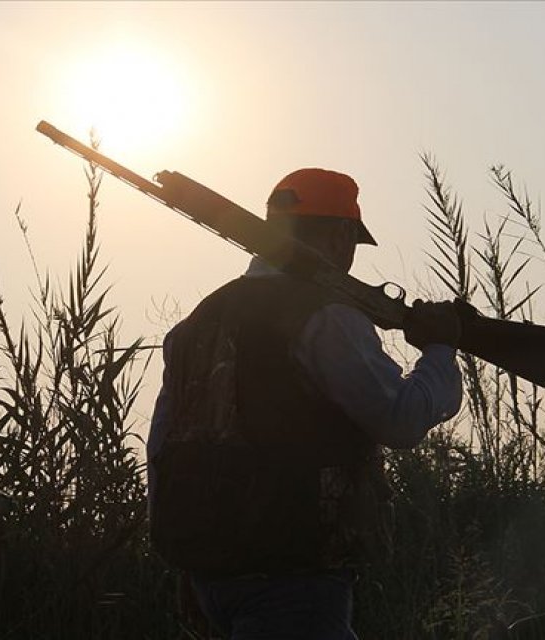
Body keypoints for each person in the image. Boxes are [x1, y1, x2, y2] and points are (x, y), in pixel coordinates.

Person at [147, 168, 464, 639]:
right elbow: (400, 421)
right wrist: (440, 349)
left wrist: (188, 563)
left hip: (212, 575)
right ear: (340, 237)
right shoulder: (326, 315)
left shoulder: (197, 322)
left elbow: (163, 451)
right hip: (293, 574)